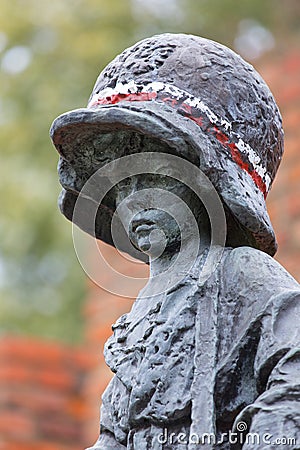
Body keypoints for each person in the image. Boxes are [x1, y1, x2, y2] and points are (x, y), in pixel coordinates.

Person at [50, 34, 300, 449]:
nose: (133, 203)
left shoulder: (241, 275)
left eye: (151, 178)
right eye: (120, 188)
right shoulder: (141, 318)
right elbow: (115, 432)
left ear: (209, 181)